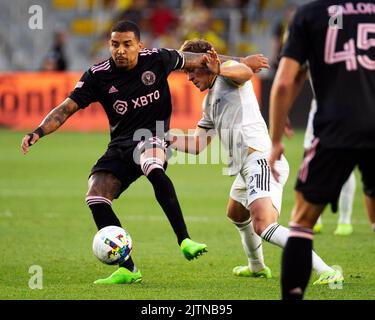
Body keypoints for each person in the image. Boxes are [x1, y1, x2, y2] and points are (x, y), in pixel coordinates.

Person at [20, 20, 219, 285]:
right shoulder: (98, 75)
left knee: (151, 164)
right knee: (95, 195)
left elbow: (202, 59)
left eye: (127, 44)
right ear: (109, 45)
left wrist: (242, 64)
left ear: (139, 45)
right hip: (120, 145)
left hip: (153, 135)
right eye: (115, 45)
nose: (120, 50)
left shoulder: (159, 59)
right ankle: (128, 268)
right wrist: (38, 131)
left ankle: (184, 240)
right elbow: (66, 109)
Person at [170, 39, 342, 284]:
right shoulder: (208, 103)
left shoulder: (227, 75)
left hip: (260, 160)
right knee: (237, 214)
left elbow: (245, 71)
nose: (187, 77)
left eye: (190, 70)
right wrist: (165, 137)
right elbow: (198, 144)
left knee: (264, 225)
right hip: (245, 167)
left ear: (206, 62)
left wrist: (218, 68)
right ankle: (257, 266)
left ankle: (326, 270)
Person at [269, 0, 375, 300]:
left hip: (336, 128)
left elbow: (284, 82)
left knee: (302, 221)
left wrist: (275, 139)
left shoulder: (310, 14)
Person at [304, 100, 356, 236]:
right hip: (318, 111)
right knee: (313, 166)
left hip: (347, 113)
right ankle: (315, 219)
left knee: (346, 165)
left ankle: (345, 220)